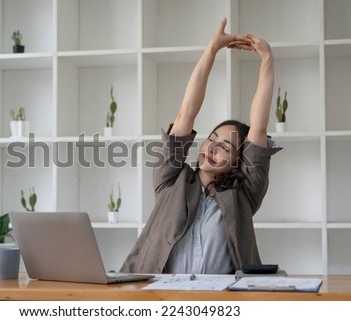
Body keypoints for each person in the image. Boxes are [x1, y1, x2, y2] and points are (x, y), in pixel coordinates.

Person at [120, 17, 281, 274]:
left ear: (239, 162)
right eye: (212, 138)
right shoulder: (171, 179)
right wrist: (212, 48)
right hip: (157, 294)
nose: (213, 147)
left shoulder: (245, 192)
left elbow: (258, 127)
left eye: (225, 147)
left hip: (220, 300)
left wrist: (267, 58)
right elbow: (186, 114)